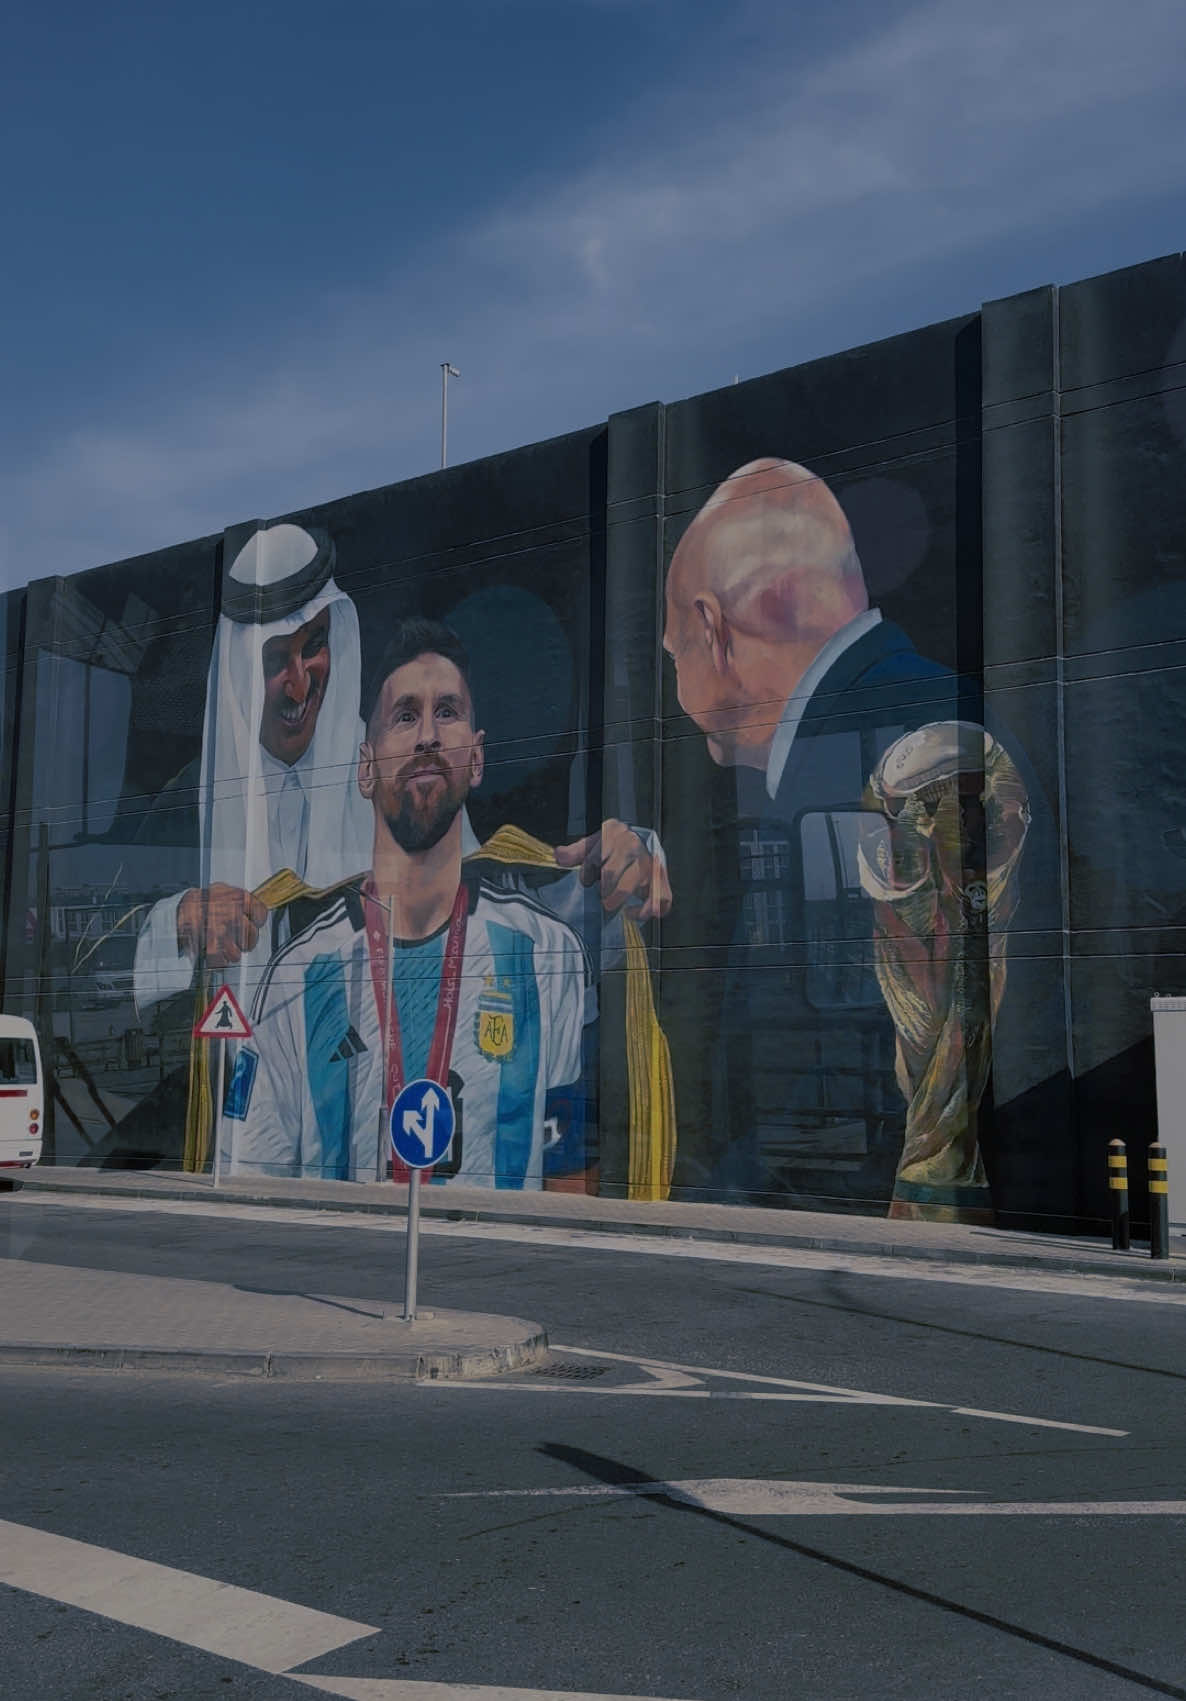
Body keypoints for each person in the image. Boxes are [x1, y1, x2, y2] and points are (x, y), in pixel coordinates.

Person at [663, 457, 1026, 1220]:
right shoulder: (936, 712)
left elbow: (927, 1053)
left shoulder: (907, 759)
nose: (676, 683)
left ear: (711, 630)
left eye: (675, 655)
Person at [229, 619, 675, 1193]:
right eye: (406, 715)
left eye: (448, 712)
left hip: (493, 1273)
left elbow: (569, 1176)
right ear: (366, 767)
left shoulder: (545, 951)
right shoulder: (298, 971)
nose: (428, 738)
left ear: (477, 756)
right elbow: (257, 1185)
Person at [132, 521, 373, 1017]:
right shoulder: (181, 806)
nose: (300, 686)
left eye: (314, 646)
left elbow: (477, 886)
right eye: (275, 661)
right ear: (241, 671)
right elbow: (82, 941)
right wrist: (179, 921)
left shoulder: (390, 773)